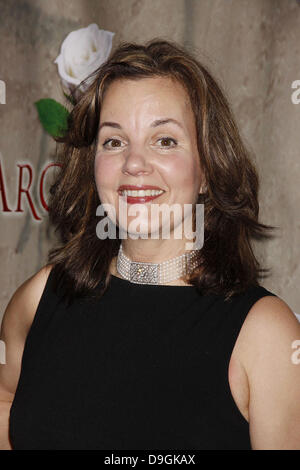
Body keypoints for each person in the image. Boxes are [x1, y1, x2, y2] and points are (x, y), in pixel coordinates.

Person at [1, 39, 300, 450]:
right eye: (114, 141)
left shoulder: (266, 334)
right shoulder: (41, 298)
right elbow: (5, 402)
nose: (134, 163)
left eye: (164, 140)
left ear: (208, 170)